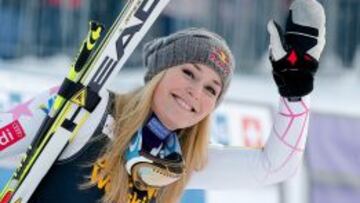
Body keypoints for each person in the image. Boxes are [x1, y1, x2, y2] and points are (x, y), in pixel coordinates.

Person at [0, 0, 326, 202]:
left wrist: (295, 93)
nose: (196, 92)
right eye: (188, 72)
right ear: (158, 73)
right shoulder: (90, 110)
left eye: (212, 90)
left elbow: (275, 167)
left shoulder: (182, 161)